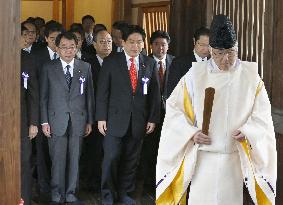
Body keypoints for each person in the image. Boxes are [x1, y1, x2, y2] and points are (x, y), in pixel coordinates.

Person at [156, 14, 277, 205]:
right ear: (210, 51)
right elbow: (174, 110)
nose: (225, 59)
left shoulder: (251, 77)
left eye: (230, 52)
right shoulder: (194, 75)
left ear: (237, 49)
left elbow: (262, 115)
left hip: (233, 157)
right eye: (218, 53)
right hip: (203, 157)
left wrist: (248, 131)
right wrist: (191, 133)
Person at [96, 25, 161, 205]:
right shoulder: (111, 61)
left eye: (139, 42)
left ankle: (126, 194)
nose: (135, 46)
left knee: (132, 161)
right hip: (114, 120)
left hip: (139, 121)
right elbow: (102, 92)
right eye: (131, 42)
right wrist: (101, 117)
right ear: (123, 42)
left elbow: (155, 94)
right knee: (111, 158)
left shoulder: (149, 63)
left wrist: (152, 118)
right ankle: (108, 195)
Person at [40, 32, 95, 205]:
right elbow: (43, 97)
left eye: (72, 47)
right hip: (56, 120)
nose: (68, 50)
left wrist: (90, 121)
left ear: (77, 47)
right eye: (64, 47)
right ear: (57, 48)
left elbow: (89, 97)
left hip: (79, 119)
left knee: (75, 159)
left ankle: (71, 192)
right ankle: (57, 193)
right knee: (57, 159)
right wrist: (44, 121)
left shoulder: (85, 67)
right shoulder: (48, 67)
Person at [139, 30, 174, 193]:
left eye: (164, 44)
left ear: (168, 46)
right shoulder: (144, 62)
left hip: (171, 115)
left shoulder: (175, 62)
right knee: (149, 149)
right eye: (157, 44)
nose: (160, 48)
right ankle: (148, 183)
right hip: (149, 114)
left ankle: (165, 181)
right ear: (151, 45)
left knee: (168, 149)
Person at [20, 25, 39, 205]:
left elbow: (34, 93)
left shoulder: (28, 59)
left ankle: (24, 198)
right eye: (23, 35)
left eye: (28, 35)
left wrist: (34, 122)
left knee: (24, 162)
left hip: (23, 119)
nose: (27, 39)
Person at [166, 27, 210, 97]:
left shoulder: (214, 63)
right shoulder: (179, 63)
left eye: (209, 45)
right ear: (194, 41)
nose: (205, 49)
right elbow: (172, 92)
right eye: (201, 45)